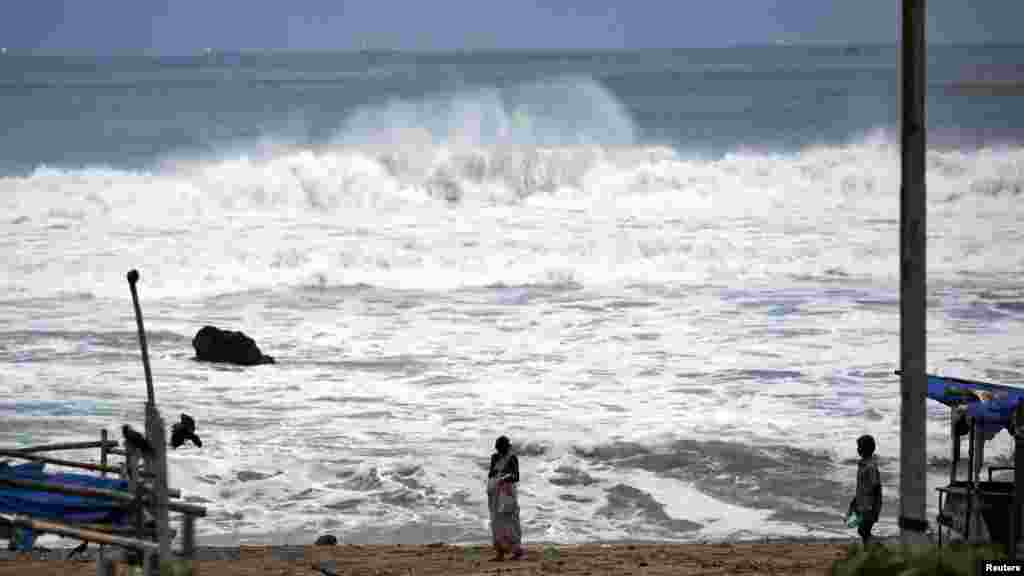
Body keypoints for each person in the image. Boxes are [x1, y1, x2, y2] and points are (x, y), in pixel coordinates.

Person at [487, 435, 524, 561]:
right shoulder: (495, 457)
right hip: (496, 492)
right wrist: (494, 482)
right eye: (499, 449)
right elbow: (491, 474)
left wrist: (503, 478)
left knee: (510, 521)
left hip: (507, 493)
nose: (501, 451)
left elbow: (516, 476)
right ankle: (500, 553)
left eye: (503, 448)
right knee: (496, 522)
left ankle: (516, 551)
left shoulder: (512, 458)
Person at [848, 434, 882, 545]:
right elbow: (862, 486)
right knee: (861, 529)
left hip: (869, 505)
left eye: (860, 446)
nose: (858, 449)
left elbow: (875, 486)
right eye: (858, 446)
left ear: (866, 449)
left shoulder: (870, 466)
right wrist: (855, 500)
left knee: (863, 530)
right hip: (862, 503)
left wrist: (872, 507)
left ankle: (879, 548)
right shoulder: (862, 464)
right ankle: (869, 551)